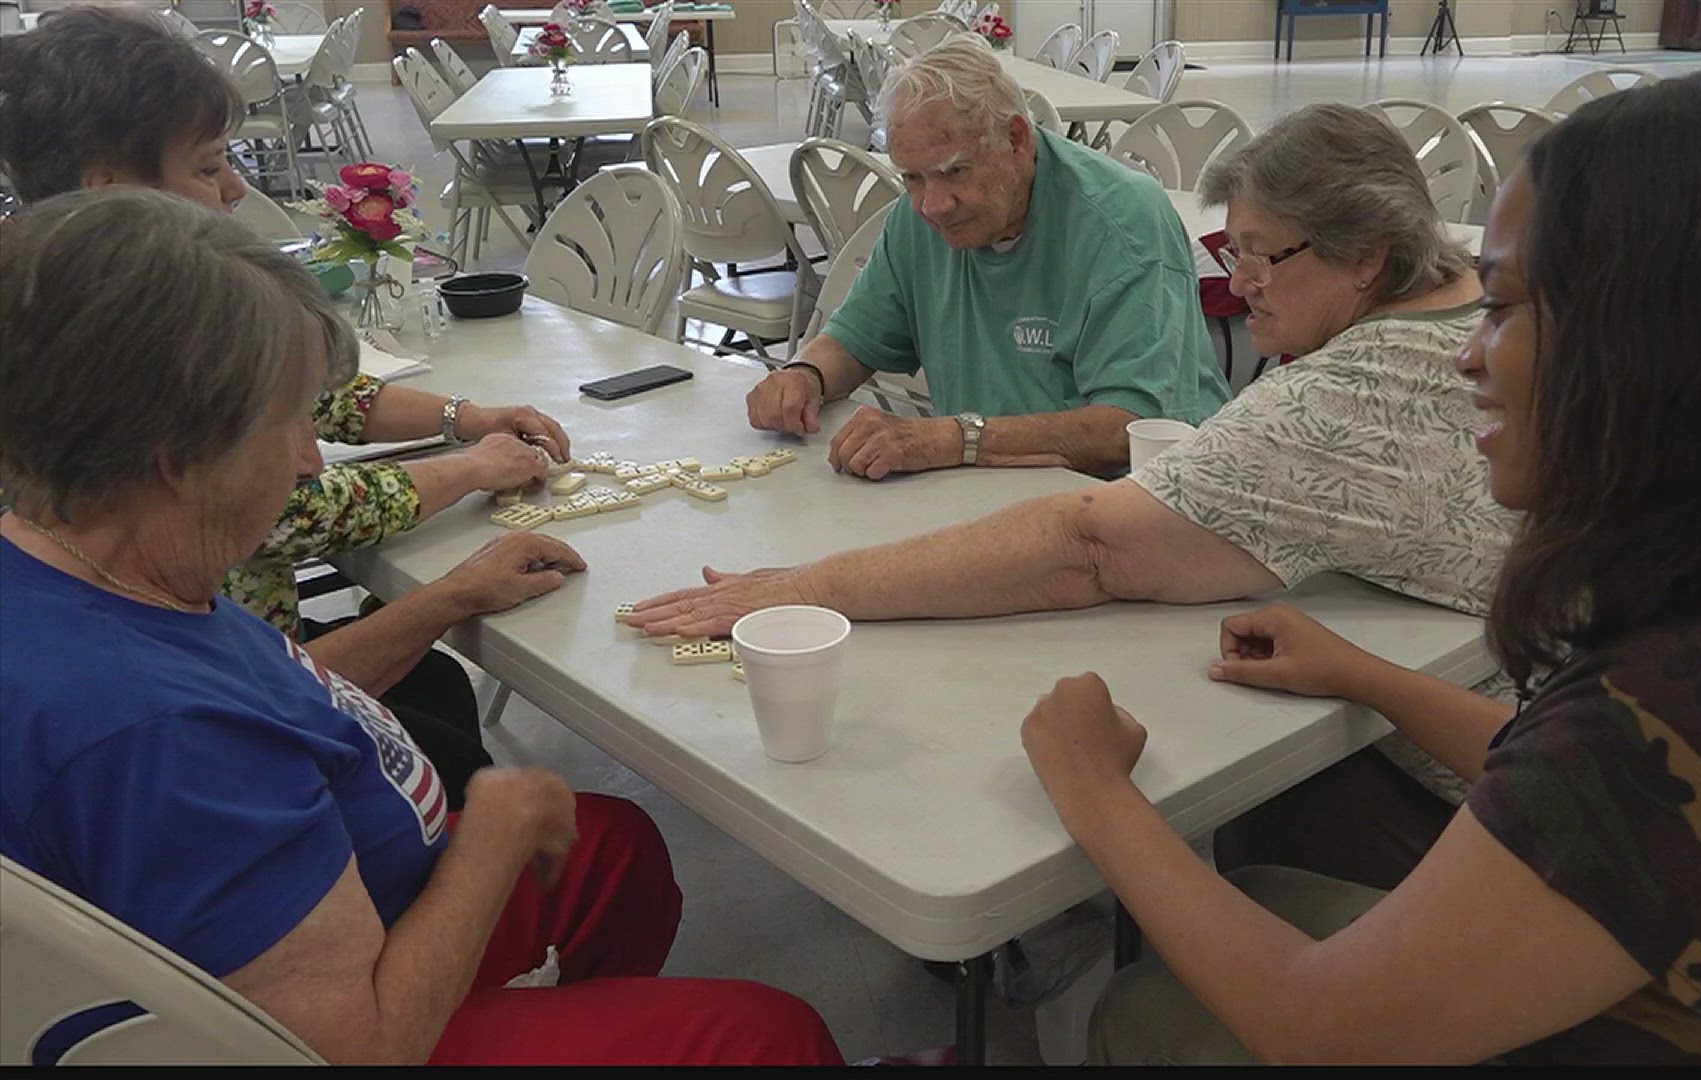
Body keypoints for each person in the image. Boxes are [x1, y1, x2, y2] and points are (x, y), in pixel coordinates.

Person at [1018, 72, 1701, 1064]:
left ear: (1663, 341)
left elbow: (1315, 1025)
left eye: (1503, 306)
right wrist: (1369, 680)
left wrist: (1091, 784)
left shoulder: (1691, 691)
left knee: (1147, 1013)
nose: (1467, 356)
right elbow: (1635, 794)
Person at [0, 188, 843, 1066]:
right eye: (287, 422)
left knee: (612, 850)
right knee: (768, 1038)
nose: (307, 459)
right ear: (177, 460)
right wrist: (493, 828)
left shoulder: (82, 559)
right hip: (348, 1019)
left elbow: (273, 695)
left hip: (356, 893)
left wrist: (446, 600)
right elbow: (355, 1048)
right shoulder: (152, 734)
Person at [632, 103, 1510, 891]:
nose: (1236, 288)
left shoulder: (1344, 395)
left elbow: (1089, 546)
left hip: (1515, 806)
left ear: (1366, 259)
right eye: (1230, 250)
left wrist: (809, 587)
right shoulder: (1489, 306)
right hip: (1551, 740)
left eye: (1260, 255)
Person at [0, 6, 574, 805]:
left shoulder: (77, 277)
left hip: (227, 667)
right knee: (473, 778)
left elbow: (316, 392)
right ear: (110, 188)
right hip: (223, 693)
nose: (236, 187)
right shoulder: (107, 334)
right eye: (207, 167)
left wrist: (462, 417)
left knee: (436, 691)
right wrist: (473, 472)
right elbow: (292, 508)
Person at [746, 35, 1229, 481]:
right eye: (911, 178)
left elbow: (1130, 429)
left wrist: (956, 438)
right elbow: (856, 341)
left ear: (1017, 140)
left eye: (954, 171)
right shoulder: (919, 219)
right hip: (986, 488)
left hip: (1126, 500)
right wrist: (805, 374)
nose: (931, 205)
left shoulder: (1122, 222)